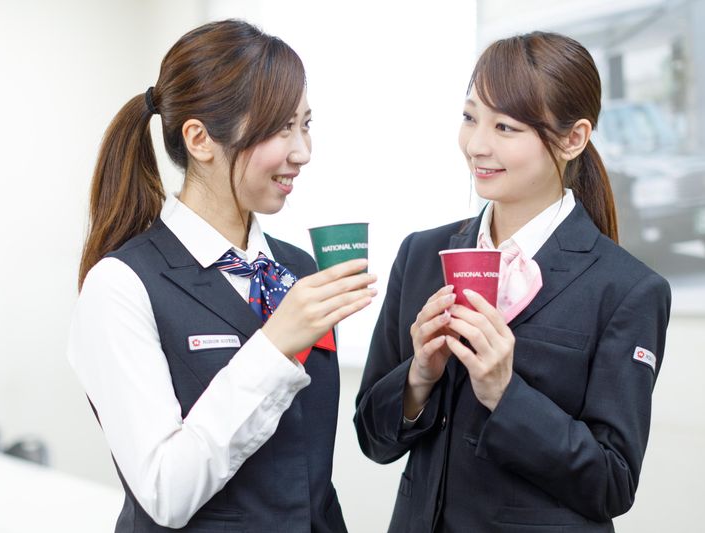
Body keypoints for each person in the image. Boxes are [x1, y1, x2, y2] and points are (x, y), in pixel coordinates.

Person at [354, 31, 671, 533]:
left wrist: (505, 393)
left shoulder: (627, 290)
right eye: (470, 117)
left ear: (573, 139)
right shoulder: (421, 255)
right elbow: (373, 441)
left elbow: (612, 482)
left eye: (505, 126)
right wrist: (418, 376)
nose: (477, 145)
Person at [68, 19, 376, 532]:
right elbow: (165, 492)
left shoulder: (298, 271)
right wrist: (273, 347)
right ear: (200, 139)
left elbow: (308, 473)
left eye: (305, 124)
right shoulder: (120, 285)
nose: (302, 151)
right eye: (281, 128)